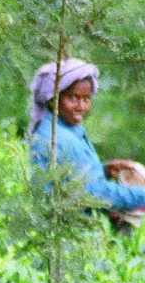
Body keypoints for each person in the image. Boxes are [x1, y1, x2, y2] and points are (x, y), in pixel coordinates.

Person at [28, 59, 145, 221]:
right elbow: (97, 193)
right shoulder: (60, 137)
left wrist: (103, 170)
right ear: (53, 98)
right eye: (73, 97)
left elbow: (70, 179)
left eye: (87, 98)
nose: (81, 106)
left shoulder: (63, 126)